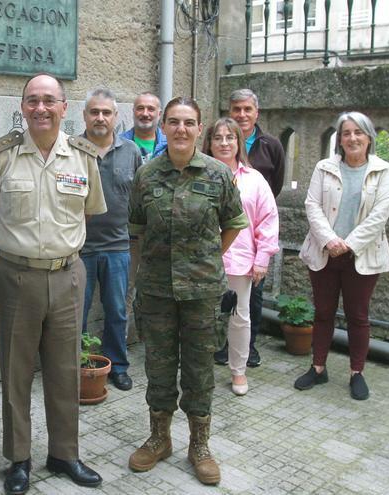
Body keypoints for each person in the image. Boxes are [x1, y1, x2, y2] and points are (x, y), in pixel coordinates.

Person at [0, 73, 106, 495]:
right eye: (33, 100)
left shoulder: (84, 157)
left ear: (65, 108)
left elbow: (87, 214)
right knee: (14, 372)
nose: (41, 108)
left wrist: (56, 251)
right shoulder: (3, 153)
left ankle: (64, 453)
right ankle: (19, 458)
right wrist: (21, 248)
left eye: (50, 100)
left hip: (67, 276)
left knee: (65, 369)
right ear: (23, 107)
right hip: (15, 276)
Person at [127, 97, 248, 486]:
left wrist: (207, 256)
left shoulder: (218, 175)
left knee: (199, 370)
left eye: (189, 123)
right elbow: (138, 229)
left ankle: (199, 446)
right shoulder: (146, 176)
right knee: (159, 366)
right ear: (163, 126)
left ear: (200, 129)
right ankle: (160, 438)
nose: (181, 129)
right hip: (158, 291)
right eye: (174, 122)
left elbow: (233, 222)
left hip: (202, 293)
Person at [294, 111, 389, 401]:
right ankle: (318, 367)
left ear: (368, 138)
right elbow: (312, 205)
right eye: (346, 133)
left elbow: (379, 216)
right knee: (323, 312)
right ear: (339, 139)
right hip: (326, 252)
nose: (352, 138)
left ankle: (357, 372)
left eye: (358, 132)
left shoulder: (383, 171)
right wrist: (330, 240)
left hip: (361, 255)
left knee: (358, 316)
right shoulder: (324, 167)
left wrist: (348, 244)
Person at [203, 117, 279, 396]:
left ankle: (238, 371)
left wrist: (262, 259)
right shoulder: (197, 174)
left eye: (229, 138)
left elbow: (267, 220)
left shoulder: (254, 180)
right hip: (202, 260)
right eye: (218, 138)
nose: (224, 143)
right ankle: (198, 370)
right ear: (208, 143)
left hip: (239, 260)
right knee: (199, 317)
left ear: (238, 142)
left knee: (239, 317)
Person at [215, 88, 286, 369]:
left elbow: (273, 194)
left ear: (256, 113)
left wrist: (262, 256)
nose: (242, 114)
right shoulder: (204, 170)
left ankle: (245, 353)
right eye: (236, 109)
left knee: (246, 307)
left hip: (247, 249)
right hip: (211, 256)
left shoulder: (269, 148)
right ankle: (219, 348)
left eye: (247, 109)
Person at [79, 87, 142, 391]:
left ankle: (117, 365)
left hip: (118, 247)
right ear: (85, 116)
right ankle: (75, 365)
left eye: (106, 112)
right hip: (78, 248)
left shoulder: (131, 151)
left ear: (116, 117)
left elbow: (140, 198)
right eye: (94, 112)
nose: (100, 117)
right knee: (75, 312)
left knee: (117, 309)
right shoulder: (71, 148)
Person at [120, 92, 167, 163]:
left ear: (159, 114)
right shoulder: (119, 144)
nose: (145, 114)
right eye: (140, 108)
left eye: (151, 109)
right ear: (133, 112)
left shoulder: (169, 145)